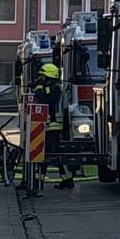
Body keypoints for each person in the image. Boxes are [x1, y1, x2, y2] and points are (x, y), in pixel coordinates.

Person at [34, 62, 74, 190]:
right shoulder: (52, 88)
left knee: (48, 155)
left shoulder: (55, 89)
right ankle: (67, 180)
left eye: (43, 77)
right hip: (50, 126)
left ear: (49, 77)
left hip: (53, 126)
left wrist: (38, 87)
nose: (41, 79)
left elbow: (44, 98)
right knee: (52, 155)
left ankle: (38, 182)